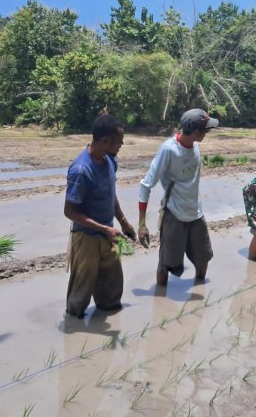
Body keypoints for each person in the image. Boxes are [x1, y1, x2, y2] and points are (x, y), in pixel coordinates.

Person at [64, 114, 135, 318]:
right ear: (105, 141)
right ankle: (74, 335)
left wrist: (123, 222)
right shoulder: (81, 170)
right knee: (80, 297)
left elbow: (109, 194)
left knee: (111, 292)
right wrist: (104, 228)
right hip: (86, 239)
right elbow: (69, 211)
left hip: (108, 234)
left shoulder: (110, 161)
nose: (122, 144)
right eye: (119, 141)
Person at [138, 109, 218, 286]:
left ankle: (200, 288)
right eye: (206, 130)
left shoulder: (196, 146)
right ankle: (160, 297)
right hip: (174, 214)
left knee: (203, 258)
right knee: (166, 263)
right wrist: (142, 224)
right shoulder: (168, 150)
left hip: (196, 213)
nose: (207, 133)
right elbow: (145, 185)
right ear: (197, 132)